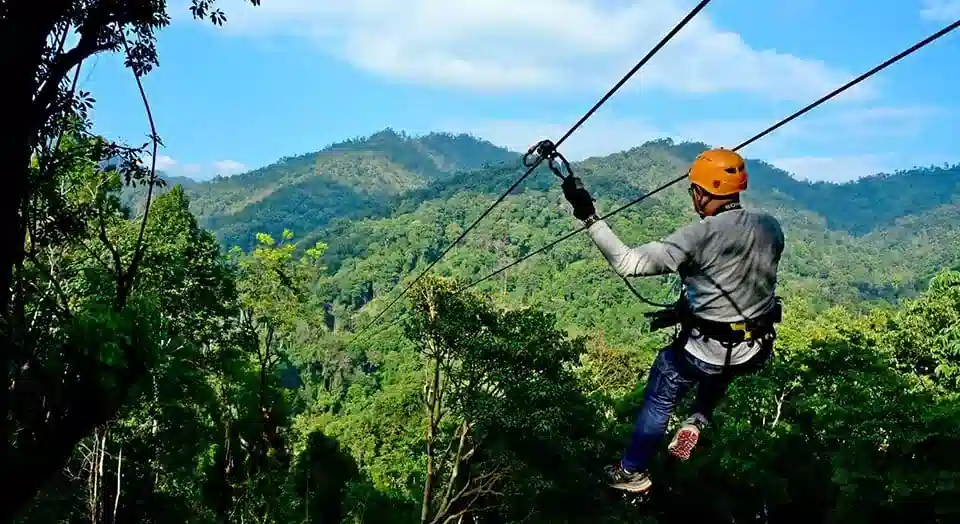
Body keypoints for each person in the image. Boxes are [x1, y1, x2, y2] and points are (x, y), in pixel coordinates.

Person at [561, 148, 785, 494]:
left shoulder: (698, 236)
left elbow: (628, 263)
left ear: (701, 193)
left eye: (693, 189)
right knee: (723, 365)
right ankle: (698, 417)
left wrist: (589, 216)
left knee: (667, 379)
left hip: (705, 352)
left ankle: (632, 471)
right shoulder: (770, 226)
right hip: (756, 347)